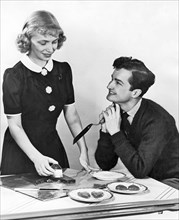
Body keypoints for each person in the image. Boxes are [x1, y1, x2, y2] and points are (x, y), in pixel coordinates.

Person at [1, 10, 92, 176]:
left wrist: (84, 150)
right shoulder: (14, 76)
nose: (50, 48)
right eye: (43, 42)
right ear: (27, 41)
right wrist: (37, 158)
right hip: (20, 152)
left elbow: (71, 115)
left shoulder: (63, 70)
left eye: (54, 42)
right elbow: (15, 125)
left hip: (51, 147)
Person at [95, 56, 179, 189]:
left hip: (171, 184)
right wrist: (106, 131)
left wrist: (116, 132)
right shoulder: (119, 113)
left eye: (118, 82)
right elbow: (105, 164)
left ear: (135, 92)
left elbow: (140, 169)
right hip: (146, 181)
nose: (109, 86)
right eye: (112, 79)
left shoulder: (158, 120)